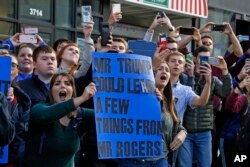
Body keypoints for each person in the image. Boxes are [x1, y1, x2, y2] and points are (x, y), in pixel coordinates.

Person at [118, 61, 187, 167]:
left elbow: (177, 125)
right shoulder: (134, 96)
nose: (164, 71)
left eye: (167, 70)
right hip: (133, 160)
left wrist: (183, 133)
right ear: (151, 74)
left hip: (160, 160)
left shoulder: (169, 102)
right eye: (160, 69)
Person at [24, 73, 96, 167]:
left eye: (67, 83)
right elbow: (44, 116)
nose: (62, 85)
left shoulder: (80, 115)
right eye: (57, 83)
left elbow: (108, 117)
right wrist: (82, 98)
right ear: (51, 91)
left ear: (72, 91)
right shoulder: (39, 108)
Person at [178, 46, 232, 167]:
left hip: (204, 132)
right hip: (185, 131)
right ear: (196, 59)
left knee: (205, 164)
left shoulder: (213, 80)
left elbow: (226, 93)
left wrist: (225, 71)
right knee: (184, 165)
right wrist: (191, 76)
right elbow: (187, 97)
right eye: (203, 58)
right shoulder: (185, 77)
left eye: (208, 58)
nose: (205, 61)